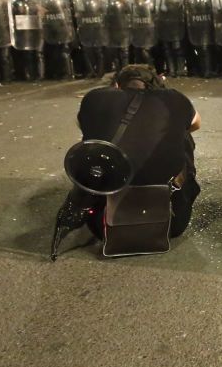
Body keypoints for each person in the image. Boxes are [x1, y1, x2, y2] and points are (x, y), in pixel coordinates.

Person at [75, 64, 202, 239]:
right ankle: (177, 193)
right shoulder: (174, 98)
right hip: (171, 222)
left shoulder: (95, 97)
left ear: (117, 85)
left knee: (92, 143)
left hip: (103, 225)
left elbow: (83, 126)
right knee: (184, 136)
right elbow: (195, 124)